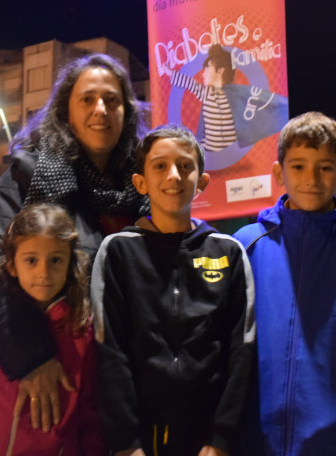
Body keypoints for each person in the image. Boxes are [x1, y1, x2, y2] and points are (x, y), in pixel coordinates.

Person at [0, 53, 148, 431]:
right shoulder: (30, 177)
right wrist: (31, 357)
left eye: (112, 100)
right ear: (66, 111)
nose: (101, 109)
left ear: (126, 113)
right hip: (52, 381)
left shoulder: (142, 188)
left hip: (123, 389)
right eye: (87, 99)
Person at [91, 124, 255, 456]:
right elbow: (110, 351)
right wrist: (126, 443)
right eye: (160, 166)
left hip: (209, 440)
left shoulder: (229, 252)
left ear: (202, 182)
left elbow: (241, 350)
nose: (174, 176)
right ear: (141, 182)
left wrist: (222, 436)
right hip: (140, 439)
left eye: (185, 166)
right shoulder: (118, 252)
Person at [233, 111, 336, 456]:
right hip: (254, 436)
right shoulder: (247, 244)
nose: (311, 178)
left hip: (334, 438)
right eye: (299, 166)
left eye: (324, 167)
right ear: (279, 172)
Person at [0, 204, 102, 456]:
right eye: (31, 260)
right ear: (12, 266)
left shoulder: (81, 332)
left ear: (70, 263)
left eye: (56, 260)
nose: (43, 272)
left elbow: (88, 414)